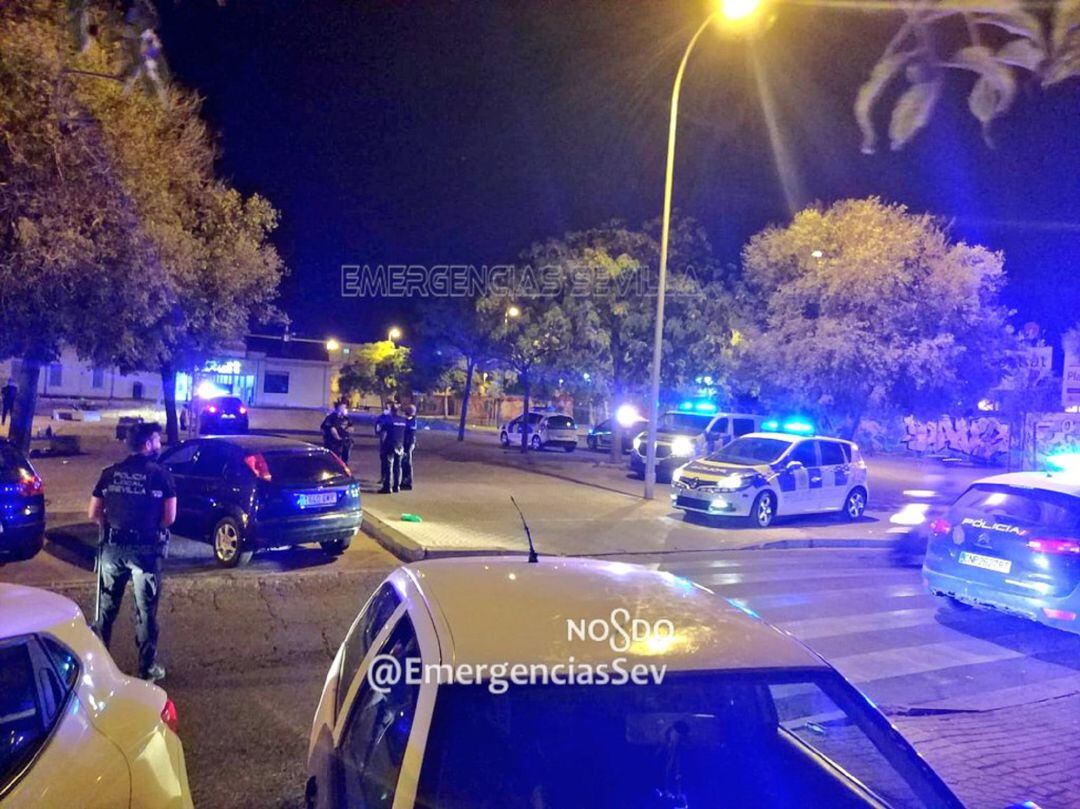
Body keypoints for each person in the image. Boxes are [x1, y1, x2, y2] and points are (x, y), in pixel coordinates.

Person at [88, 422, 176, 682]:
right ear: (147, 444)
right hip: (145, 552)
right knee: (146, 610)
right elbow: (169, 518)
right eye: (157, 440)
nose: (159, 445)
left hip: (113, 549)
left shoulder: (110, 473)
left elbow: (93, 513)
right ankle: (146, 668)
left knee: (105, 610)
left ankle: (100, 665)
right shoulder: (162, 475)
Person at [376, 402, 408, 493]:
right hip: (400, 446)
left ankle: (387, 487)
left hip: (389, 445)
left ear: (391, 411)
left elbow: (383, 433)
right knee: (398, 467)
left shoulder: (389, 420)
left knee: (388, 467)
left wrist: (382, 445)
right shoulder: (403, 420)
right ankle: (396, 486)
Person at [401, 403, 417, 490]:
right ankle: (405, 481)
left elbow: (409, 435)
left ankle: (407, 482)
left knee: (407, 463)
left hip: (408, 444)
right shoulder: (411, 421)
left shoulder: (410, 422)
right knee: (405, 463)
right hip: (408, 444)